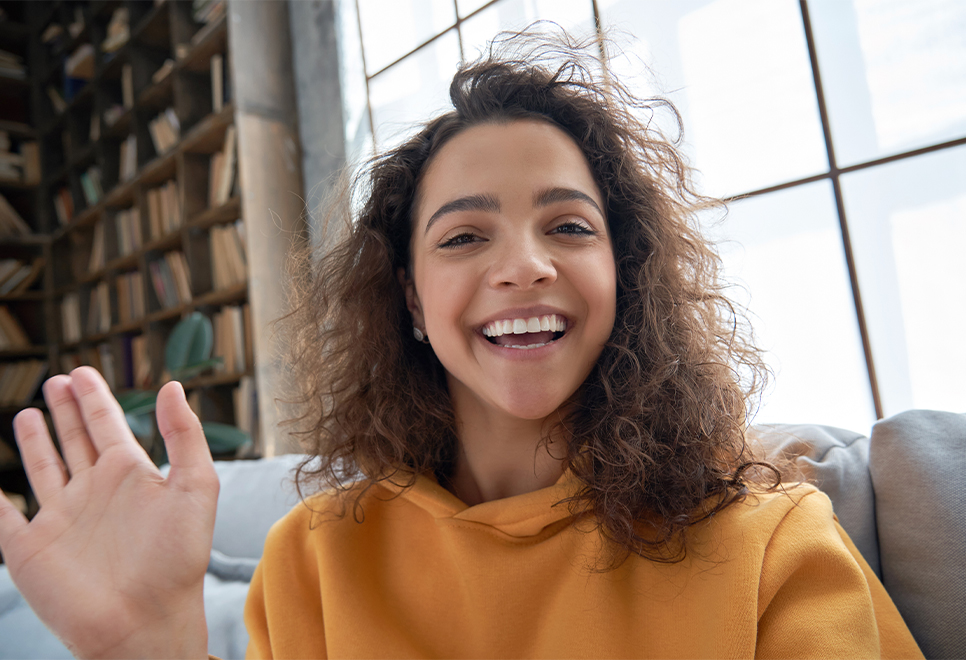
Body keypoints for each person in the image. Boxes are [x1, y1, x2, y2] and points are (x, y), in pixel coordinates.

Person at [0, 31, 922, 659]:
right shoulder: (313, 562)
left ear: (624, 275)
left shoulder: (773, 547)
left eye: (568, 227)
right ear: (407, 296)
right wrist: (154, 642)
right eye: (463, 236)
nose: (523, 267)